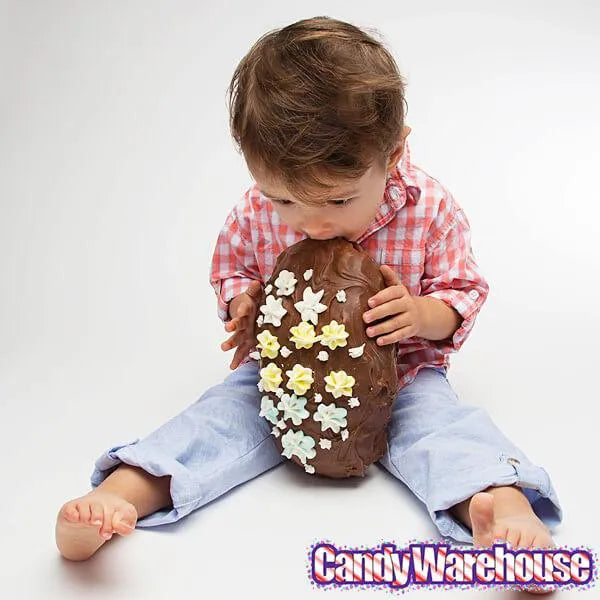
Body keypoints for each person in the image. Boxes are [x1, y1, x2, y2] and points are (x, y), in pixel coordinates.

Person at [55, 16, 562, 584]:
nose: (312, 222)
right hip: (283, 380)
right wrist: (242, 305)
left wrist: (421, 314)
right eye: (285, 201)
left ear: (393, 154)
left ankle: (501, 509)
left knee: (445, 430)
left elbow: (462, 292)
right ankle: (122, 496)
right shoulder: (255, 208)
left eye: (339, 199)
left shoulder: (430, 209)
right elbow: (233, 271)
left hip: (404, 377)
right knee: (218, 418)